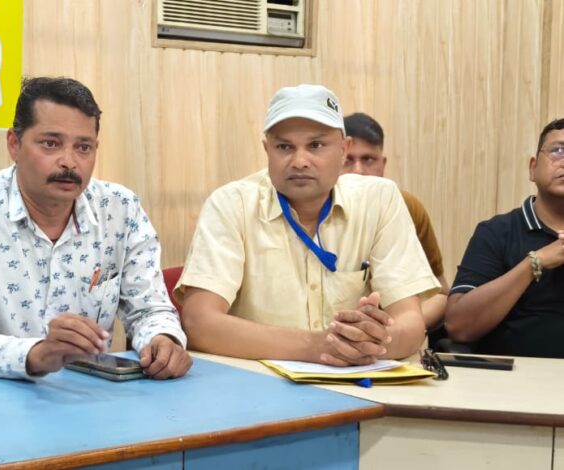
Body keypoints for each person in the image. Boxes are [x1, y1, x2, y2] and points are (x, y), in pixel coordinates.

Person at [0, 77, 192, 379]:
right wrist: (35, 355)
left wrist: (163, 339)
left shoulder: (121, 209)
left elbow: (150, 309)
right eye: (51, 144)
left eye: (83, 147)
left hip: (89, 394)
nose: (69, 162)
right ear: (14, 144)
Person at [175, 84, 440, 366]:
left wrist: (371, 341)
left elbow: (410, 322)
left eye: (316, 146)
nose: (300, 162)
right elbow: (199, 323)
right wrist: (316, 346)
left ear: (343, 149)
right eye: (284, 147)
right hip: (259, 383)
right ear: (267, 150)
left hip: (357, 381)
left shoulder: (380, 199)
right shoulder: (232, 204)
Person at [446, 118, 564, 357]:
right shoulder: (497, 232)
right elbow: (458, 327)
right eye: (558, 151)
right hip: (516, 375)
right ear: (533, 168)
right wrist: (534, 263)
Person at [342, 112, 449, 330]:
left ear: (383, 164)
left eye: (368, 160)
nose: (358, 170)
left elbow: (441, 293)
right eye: (348, 160)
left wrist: (396, 329)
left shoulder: (408, 206)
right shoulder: (312, 209)